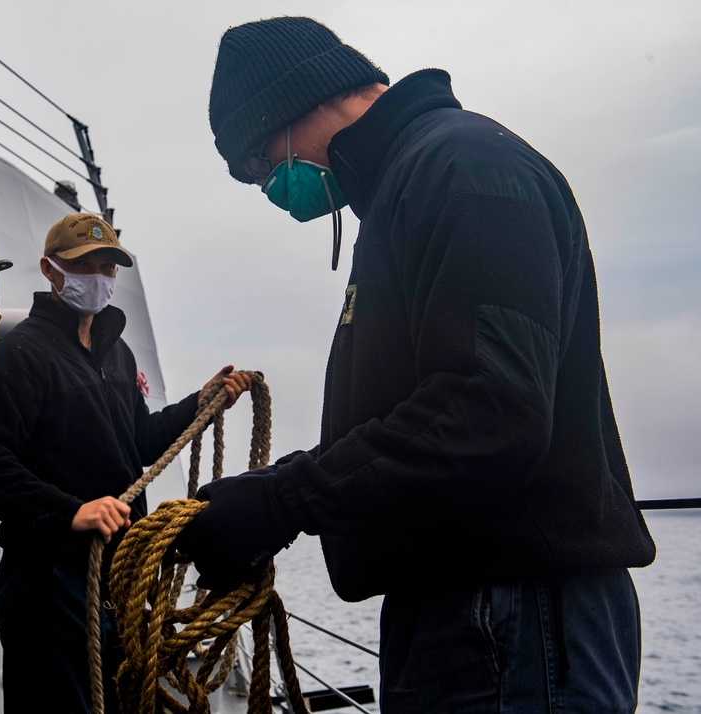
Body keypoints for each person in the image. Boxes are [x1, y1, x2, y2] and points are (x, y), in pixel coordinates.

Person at [175, 16, 656, 713]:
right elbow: (429, 408)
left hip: (510, 616)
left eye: (259, 166)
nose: (269, 188)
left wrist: (286, 501)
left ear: (288, 107)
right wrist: (273, 490)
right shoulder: (412, 184)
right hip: (467, 612)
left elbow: (489, 411)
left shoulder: (462, 169)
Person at [0, 212, 250, 713]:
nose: (99, 278)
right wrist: (71, 511)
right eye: (84, 265)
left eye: (108, 268)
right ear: (50, 270)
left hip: (115, 577)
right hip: (48, 583)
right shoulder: (22, 353)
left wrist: (199, 403)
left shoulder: (118, 355)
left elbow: (135, 440)